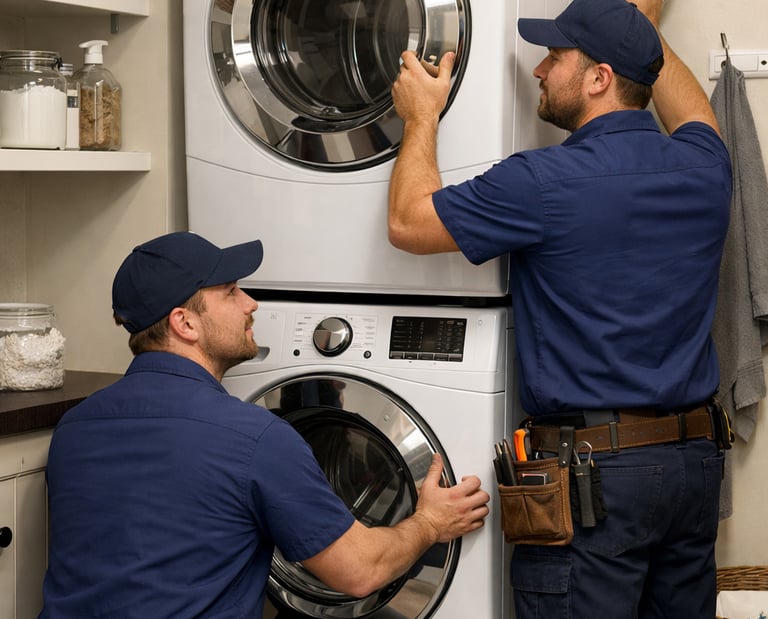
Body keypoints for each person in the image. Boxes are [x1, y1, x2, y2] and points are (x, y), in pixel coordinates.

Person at [387, 0, 732, 617]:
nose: (540, 71)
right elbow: (691, 110)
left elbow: (409, 221)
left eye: (555, 56)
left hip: (593, 479)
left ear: (599, 78)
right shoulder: (705, 167)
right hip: (693, 467)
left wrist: (421, 116)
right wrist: (640, 23)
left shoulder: (540, 182)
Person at [39, 231, 490, 618]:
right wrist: (430, 522)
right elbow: (360, 573)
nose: (251, 304)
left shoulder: (75, 428)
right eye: (231, 292)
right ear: (185, 323)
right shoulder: (254, 438)